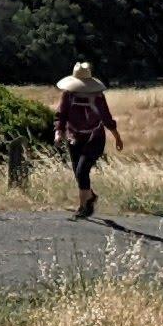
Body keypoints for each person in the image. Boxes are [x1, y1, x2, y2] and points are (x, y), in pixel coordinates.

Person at [51, 61, 118, 219]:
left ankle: (82, 208)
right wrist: (58, 133)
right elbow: (61, 115)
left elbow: (107, 118)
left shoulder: (98, 97)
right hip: (74, 137)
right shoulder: (68, 95)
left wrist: (117, 137)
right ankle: (91, 197)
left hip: (94, 138)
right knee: (78, 173)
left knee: (82, 171)